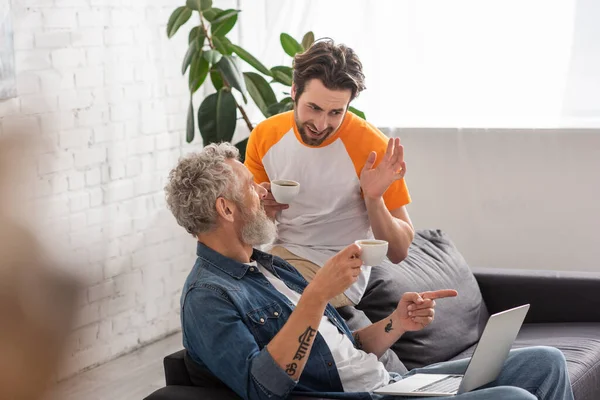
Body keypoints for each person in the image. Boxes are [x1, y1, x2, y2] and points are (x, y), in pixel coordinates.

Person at [165, 142, 574, 400]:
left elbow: (343, 348)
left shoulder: (268, 266)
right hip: (361, 396)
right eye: (251, 187)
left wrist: (395, 323)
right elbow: (261, 388)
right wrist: (316, 295)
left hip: (388, 385)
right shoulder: (207, 297)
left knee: (546, 361)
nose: (263, 192)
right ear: (226, 209)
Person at [244, 39, 413, 309]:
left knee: (263, 302)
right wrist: (262, 209)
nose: (322, 124)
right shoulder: (265, 136)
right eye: (314, 108)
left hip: (341, 266)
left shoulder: (372, 148)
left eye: (336, 112)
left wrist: (374, 198)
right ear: (294, 91)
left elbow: (399, 250)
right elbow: (250, 232)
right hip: (282, 256)